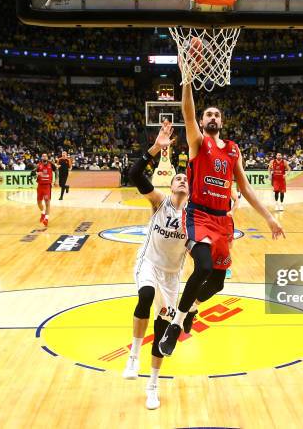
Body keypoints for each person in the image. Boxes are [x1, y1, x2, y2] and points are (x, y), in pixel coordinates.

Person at [158, 71, 286, 357]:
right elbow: (187, 113)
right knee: (202, 267)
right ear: (202, 123)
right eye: (208, 115)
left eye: (217, 115)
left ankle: (192, 305)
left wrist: (269, 217)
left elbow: (245, 187)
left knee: (217, 281)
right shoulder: (198, 142)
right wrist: (188, 79)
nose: (212, 118)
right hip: (198, 216)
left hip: (223, 221)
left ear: (222, 122)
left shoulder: (232, 150)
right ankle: (175, 326)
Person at [122, 121, 188, 410]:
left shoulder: (196, 216)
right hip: (148, 263)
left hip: (173, 277)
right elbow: (134, 174)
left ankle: (153, 386)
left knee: (162, 334)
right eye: (178, 178)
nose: (183, 180)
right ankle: (133, 356)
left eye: (186, 179)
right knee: (145, 296)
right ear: (171, 184)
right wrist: (156, 148)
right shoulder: (159, 202)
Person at [31, 154, 57, 226]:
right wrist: (36, 173)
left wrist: (56, 180)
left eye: (45, 156)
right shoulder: (38, 165)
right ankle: (43, 212)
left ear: (47, 158)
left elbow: (56, 170)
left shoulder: (51, 164)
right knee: (39, 202)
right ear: (41, 157)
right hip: (40, 186)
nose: (44, 157)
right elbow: (32, 174)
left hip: (47, 186)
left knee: (47, 203)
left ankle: (46, 218)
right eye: (43, 156)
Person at [225, 186, 241, 280]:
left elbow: (236, 200)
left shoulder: (228, 185)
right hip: (211, 218)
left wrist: (232, 211)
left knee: (227, 246)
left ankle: (227, 268)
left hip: (226, 220)